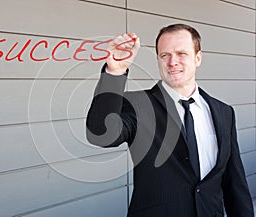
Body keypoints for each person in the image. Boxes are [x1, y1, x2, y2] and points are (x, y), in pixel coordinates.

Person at [86, 24, 254, 217]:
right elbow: (100, 135)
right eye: (165, 55)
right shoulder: (137, 104)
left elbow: (234, 182)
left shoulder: (224, 112)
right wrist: (114, 72)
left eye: (181, 53)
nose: (172, 62)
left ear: (198, 58)